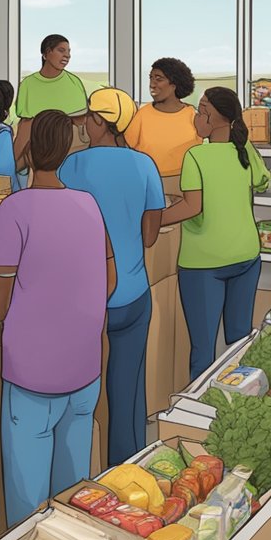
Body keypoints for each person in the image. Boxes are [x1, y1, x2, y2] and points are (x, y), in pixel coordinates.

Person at [0, 110, 115, 526]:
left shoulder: (14, 208)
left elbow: (1, 299)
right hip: (84, 369)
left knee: (27, 511)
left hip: (32, 375)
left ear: (26, 148)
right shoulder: (88, 204)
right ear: (67, 149)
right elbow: (108, 275)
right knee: (74, 498)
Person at [58, 89, 165, 466]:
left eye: (88, 116)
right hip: (134, 295)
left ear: (100, 122)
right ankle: (127, 472)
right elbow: (150, 235)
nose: (84, 123)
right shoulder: (144, 165)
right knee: (128, 393)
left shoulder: (70, 167)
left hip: (86, 300)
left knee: (78, 398)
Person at [161, 87, 270, 382]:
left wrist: (152, 218)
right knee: (239, 340)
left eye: (200, 110)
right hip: (247, 255)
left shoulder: (196, 155)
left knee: (203, 348)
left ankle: (196, 411)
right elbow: (262, 180)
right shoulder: (244, 150)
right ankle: (240, 400)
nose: (195, 116)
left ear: (211, 117)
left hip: (204, 263)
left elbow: (191, 207)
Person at [13, 34, 89, 166]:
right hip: (37, 147)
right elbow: (25, 125)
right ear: (46, 53)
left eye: (69, 51)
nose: (67, 55)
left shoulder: (74, 82)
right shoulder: (28, 84)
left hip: (69, 146)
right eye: (61, 50)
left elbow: (81, 123)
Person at [126, 58, 203, 187]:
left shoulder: (191, 115)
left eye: (159, 79)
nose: (152, 84)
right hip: (148, 184)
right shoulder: (142, 115)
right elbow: (129, 150)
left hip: (185, 186)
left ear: (174, 84)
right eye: (151, 78)